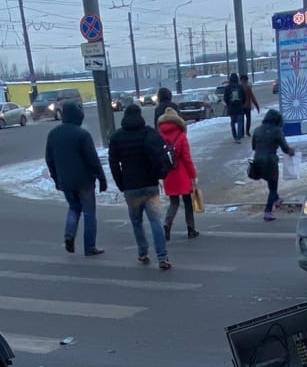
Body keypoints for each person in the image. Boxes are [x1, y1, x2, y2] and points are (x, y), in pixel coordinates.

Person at [107, 104, 173, 269]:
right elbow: (161, 156)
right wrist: (161, 175)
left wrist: (121, 184)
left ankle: (143, 253)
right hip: (150, 184)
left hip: (131, 186)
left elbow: (114, 164)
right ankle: (162, 257)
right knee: (155, 221)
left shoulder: (117, 137)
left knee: (136, 222)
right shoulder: (149, 133)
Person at [45, 100, 106, 256]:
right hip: (85, 181)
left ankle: (69, 235)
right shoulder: (82, 134)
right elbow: (92, 159)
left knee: (74, 208)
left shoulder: (53, 135)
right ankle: (90, 247)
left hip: (66, 181)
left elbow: (49, 160)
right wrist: (101, 178)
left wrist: (56, 179)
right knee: (89, 213)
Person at [158, 102, 199, 240]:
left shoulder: (160, 136)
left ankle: (167, 224)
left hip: (168, 173)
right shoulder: (181, 136)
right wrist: (193, 175)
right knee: (187, 201)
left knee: (173, 202)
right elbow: (186, 158)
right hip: (181, 174)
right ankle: (191, 229)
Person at [250, 107, 293, 221]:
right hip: (270, 160)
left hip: (257, 160)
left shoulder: (257, 129)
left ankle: (277, 199)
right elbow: (285, 148)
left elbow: (254, 147)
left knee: (270, 181)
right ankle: (268, 211)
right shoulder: (276, 130)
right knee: (273, 186)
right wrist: (291, 152)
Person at [223, 71, 249, 142]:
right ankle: (239, 137)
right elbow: (244, 97)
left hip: (231, 108)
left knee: (232, 122)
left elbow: (225, 98)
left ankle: (234, 136)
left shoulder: (228, 88)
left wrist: (229, 104)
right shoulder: (240, 87)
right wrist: (242, 104)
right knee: (240, 122)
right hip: (239, 107)